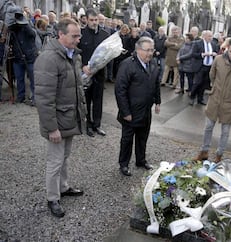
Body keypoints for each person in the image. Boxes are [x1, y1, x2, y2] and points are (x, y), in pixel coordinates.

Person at [34, 18, 86, 218]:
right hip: (57, 122)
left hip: (69, 118)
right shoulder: (49, 59)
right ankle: (52, 197)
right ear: (61, 35)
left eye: (79, 35)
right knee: (55, 161)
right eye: (74, 36)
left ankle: (63, 188)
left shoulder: (72, 55)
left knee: (64, 158)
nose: (78, 39)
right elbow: (44, 98)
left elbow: (72, 86)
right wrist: (51, 128)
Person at [192, 38, 231, 163]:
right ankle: (204, 151)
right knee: (208, 126)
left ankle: (219, 155)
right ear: (227, 49)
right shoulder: (218, 60)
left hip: (230, 101)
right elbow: (212, 75)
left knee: (225, 131)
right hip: (215, 98)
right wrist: (216, 87)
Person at [115, 36, 161, 176]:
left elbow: (156, 84)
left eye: (152, 50)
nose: (150, 53)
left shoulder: (153, 64)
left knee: (143, 137)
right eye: (147, 50)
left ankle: (141, 160)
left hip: (146, 110)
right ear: (138, 49)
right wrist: (125, 112)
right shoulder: (127, 64)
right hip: (131, 111)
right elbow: (120, 90)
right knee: (127, 139)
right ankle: (123, 164)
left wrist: (157, 101)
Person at [79, 9, 109, 137]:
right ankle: (88, 125)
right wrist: (82, 66)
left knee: (98, 100)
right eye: (91, 20)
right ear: (86, 19)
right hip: (85, 74)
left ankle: (97, 125)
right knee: (87, 100)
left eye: (96, 20)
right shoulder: (80, 34)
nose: (94, 22)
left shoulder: (104, 35)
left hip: (100, 74)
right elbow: (75, 53)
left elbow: (108, 53)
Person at [189, 30, 219, 105]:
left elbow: (216, 52)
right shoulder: (197, 43)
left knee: (204, 84)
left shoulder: (213, 44)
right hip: (200, 66)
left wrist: (214, 54)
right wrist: (203, 54)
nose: (210, 38)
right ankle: (192, 97)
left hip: (209, 67)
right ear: (204, 36)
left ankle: (200, 99)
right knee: (197, 83)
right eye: (209, 36)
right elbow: (193, 54)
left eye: (211, 36)